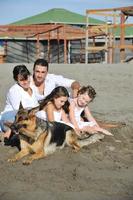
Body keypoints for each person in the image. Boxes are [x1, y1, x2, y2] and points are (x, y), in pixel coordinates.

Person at [0, 65, 39, 140]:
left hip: (25, 117)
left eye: (26, 78)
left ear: (29, 76)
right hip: (11, 116)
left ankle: (13, 133)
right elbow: (19, 111)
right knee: (21, 119)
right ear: (16, 80)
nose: (25, 82)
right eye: (21, 80)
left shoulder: (32, 87)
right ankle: (12, 132)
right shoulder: (14, 90)